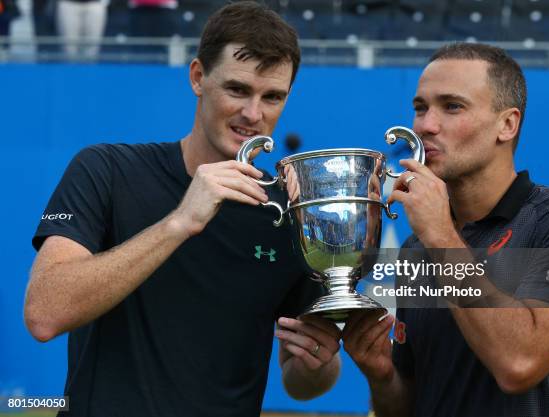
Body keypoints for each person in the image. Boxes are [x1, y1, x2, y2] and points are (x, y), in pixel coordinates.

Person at [25, 2, 341, 416]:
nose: (253, 114)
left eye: (273, 97)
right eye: (237, 90)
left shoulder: (289, 212)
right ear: (198, 77)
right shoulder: (106, 170)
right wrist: (179, 222)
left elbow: (302, 382)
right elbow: (45, 313)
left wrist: (316, 364)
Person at [343, 42, 549, 417]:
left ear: (507, 124)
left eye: (452, 106)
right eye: (420, 108)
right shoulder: (415, 248)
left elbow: (520, 364)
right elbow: (405, 408)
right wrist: (382, 374)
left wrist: (441, 237)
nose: (425, 125)